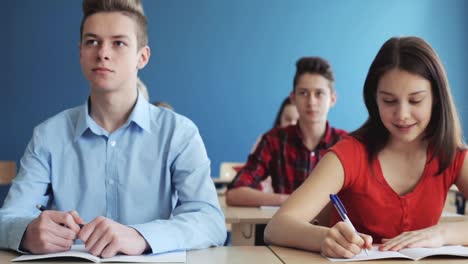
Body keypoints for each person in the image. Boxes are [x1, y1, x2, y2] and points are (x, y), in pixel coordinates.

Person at [0, 0, 225, 257]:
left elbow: (210, 221)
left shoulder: (179, 133)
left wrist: (141, 236)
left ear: (142, 57)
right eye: (92, 42)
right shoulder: (48, 136)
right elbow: (8, 218)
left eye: (118, 43)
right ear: (80, 52)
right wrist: (27, 231)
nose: (102, 53)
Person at [264, 36, 468, 259]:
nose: (402, 114)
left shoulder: (452, 154)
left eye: (415, 100)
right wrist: (324, 238)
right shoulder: (350, 154)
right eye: (389, 101)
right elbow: (277, 227)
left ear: (437, 98)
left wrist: (443, 233)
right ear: (374, 99)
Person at [226, 57, 346, 209]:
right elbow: (235, 194)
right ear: (293, 98)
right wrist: (290, 200)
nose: (311, 102)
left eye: (319, 93)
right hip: (284, 230)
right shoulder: (274, 140)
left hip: (330, 231)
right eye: (303, 93)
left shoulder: (345, 143)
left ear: (333, 99)